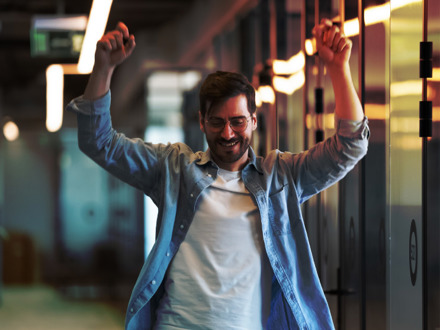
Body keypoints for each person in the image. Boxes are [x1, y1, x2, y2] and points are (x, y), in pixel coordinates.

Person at [67, 18, 368, 330]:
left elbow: (350, 146)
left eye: (237, 121)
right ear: (201, 121)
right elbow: (99, 142)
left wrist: (338, 69)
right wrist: (103, 68)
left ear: (254, 120)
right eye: (216, 122)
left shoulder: (281, 176)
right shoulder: (175, 169)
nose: (227, 133)